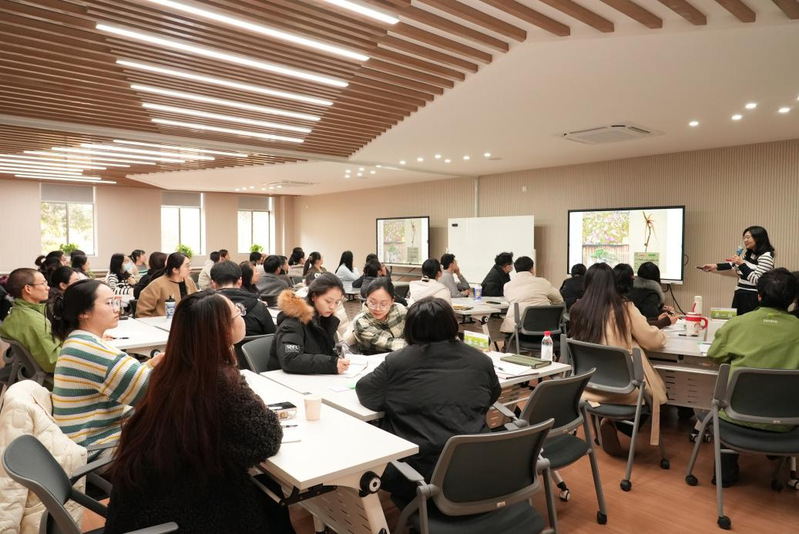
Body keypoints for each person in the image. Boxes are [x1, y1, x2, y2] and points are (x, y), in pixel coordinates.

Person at [104, 291, 287, 534]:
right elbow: (266, 439)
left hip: (147, 500)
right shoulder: (217, 379)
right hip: (184, 509)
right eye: (237, 312)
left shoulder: (171, 368)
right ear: (223, 330)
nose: (242, 316)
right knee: (270, 497)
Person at [356, 297, 501, 501]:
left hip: (419, 471)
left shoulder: (398, 362)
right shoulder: (480, 359)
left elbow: (366, 393)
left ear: (410, 328)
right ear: (452, 324)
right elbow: (492, 395)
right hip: (476, 463)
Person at [706, 268, 799, 486]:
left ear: (759, 295)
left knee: (722, 407)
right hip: (786, 421)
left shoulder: (737, 324)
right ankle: (776, 456)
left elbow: (715, 356)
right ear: (792, 298)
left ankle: (725, 475)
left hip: (735, 417)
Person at [569, 263, 668, 456]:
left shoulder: (577, 309)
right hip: (626, 390)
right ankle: (614, 421)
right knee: (654, 394)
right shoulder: (624, 309)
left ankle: (607, 420)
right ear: (612, 283)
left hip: (588, 387)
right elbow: (652, 341)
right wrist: (663, 334)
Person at [51, 280, 162, 447]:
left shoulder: (79, 342)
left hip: (95, 435)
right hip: (98, 445)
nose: (117, 309)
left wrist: (150, 365)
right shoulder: (88, 349)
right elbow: (150, 391)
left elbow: (126, 379)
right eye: (109, 303)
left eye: (116, 302)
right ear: (84, 312)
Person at [268, 273, 349, 374]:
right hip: (284, 379)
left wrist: (337, 361)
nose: (332, 307)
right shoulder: (293, 321)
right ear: (314, 296)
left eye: (337, 302)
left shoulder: (324, 320)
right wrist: (332, 364)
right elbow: (290, 359)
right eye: (328, 301)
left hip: (310, 377)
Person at [701, 226, 776, 315]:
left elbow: (758, 280)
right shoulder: (749, 254)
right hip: (740, 294)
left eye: (748, 237)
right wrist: (714, 266)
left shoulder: (766, 256)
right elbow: (734, 265)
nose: (745, 240)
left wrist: (742, 264)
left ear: (758, 238)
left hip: (753, 297)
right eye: (744, 238)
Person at [0, 268, 61, 373]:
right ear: (28, 289)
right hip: (55, 373)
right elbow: (53, 362)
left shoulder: (16, 312)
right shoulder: (33, 321)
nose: (48, 287)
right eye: (43, 283)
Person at [500, 256, 563, 335]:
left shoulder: (507, 285)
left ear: (516, 270)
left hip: (518, 330)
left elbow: (510, 301)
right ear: (532, 269)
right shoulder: (543, 282)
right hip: (544, 329)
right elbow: (559, 299)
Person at [211, 261, 275, 336]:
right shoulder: (259, 306)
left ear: (213, 283)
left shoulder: (203, 308)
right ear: (240, 281)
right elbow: (272, 335)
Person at [353, 278, 407, 355]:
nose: (377, 309)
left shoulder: (400, 310)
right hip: (373, 359)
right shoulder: (361, 321)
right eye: (373, 302)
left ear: (392, 301)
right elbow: (388, 343)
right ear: (366, 298)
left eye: (383, 304)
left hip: (403, 356)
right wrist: (417, 347)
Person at [136, 253, 197, 317]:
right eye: (187, 266)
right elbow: (142, 313)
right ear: (175, 270)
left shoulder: (189, 281)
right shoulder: (157, 284)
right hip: (162, 322)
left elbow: (197, 304)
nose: (190, 268)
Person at [626, 262, 677, 329]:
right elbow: (652, 318)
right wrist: (668, 317)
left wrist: (662, 310)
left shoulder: (630, 288)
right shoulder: (651, 295)